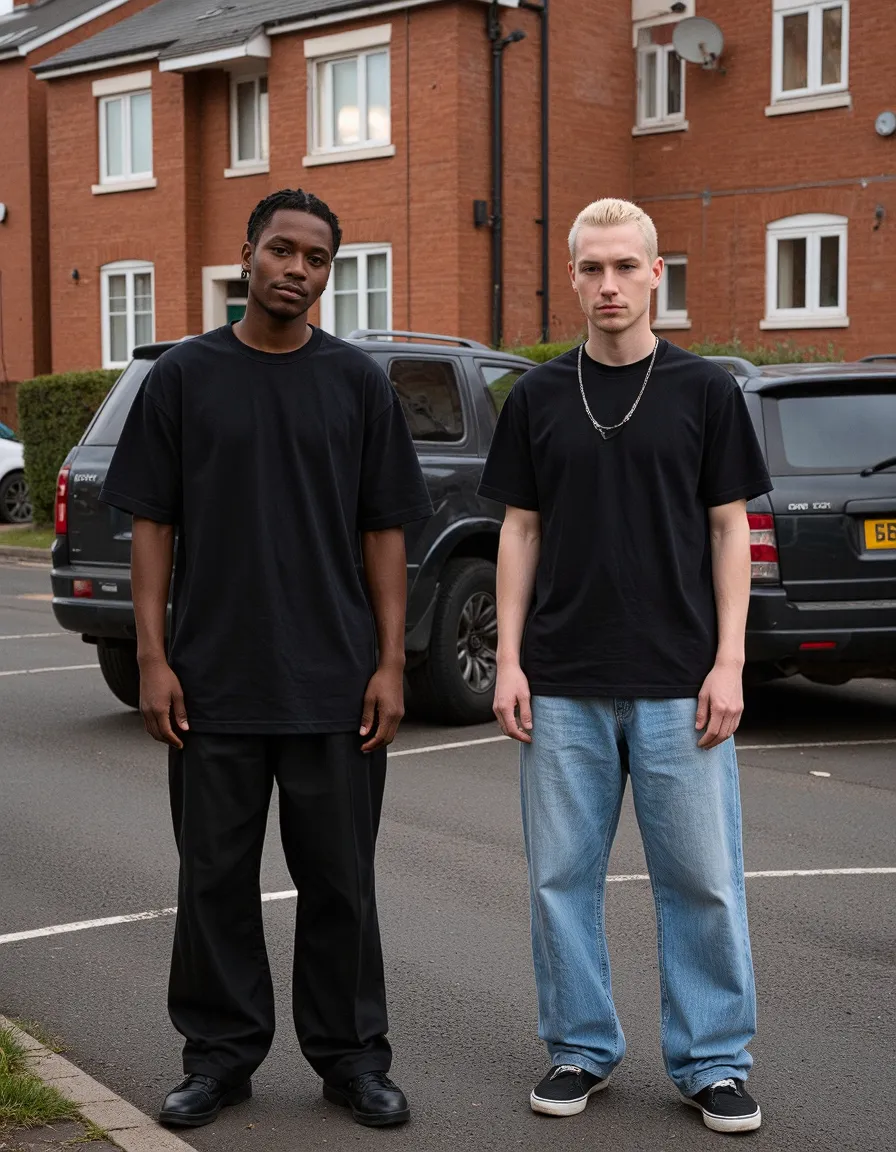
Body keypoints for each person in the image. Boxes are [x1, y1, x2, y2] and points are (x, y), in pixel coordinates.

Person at [100, 189, 432, 1131]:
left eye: (316, 258)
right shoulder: (184, 379)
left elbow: (384, 534)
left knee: (341, 884)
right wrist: (155, 659)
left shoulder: (357, 385)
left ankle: (353, 1060)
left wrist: (390, 664)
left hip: (334, 684)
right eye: (280, 251)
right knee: (212, 883)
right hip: (212, 681)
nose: (296, 269)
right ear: (246, 256)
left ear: (330, 271)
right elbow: (152, 529)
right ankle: (218, 1058)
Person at [478, 198, 771, 1135]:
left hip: (681, 682)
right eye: (590, 269)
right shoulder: (535, 399)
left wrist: (728, 663)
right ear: (572, 278)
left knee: (704, 881)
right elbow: (517, 533)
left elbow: (732, 532)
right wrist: (509, 661)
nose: (608, 285)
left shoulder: (704, 392)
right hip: (561, 682)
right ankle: (579, 1048)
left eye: (625, 268)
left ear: (656, 276)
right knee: (560, 880)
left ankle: (715, 1062)